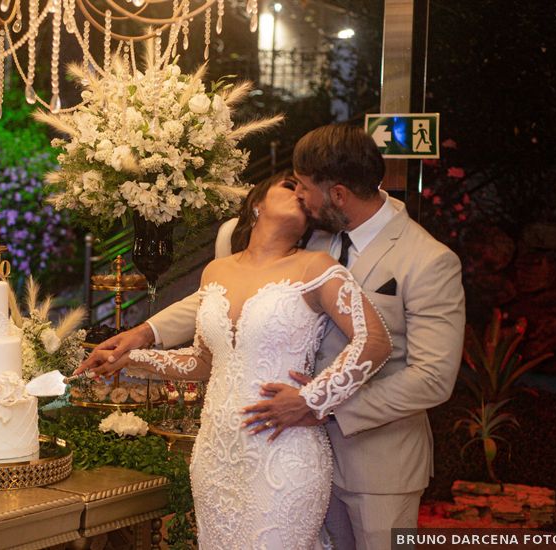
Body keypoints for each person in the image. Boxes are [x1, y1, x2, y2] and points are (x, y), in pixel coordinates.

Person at [81, 124, 466, 550]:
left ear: (337, 194)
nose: (300, 195)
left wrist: (320, 406)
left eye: (303, 186)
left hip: (373, 461)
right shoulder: (314, 234)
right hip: (271, 444)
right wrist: (143, 336)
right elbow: (224, 305)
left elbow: (433, 377)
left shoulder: (428, 260)